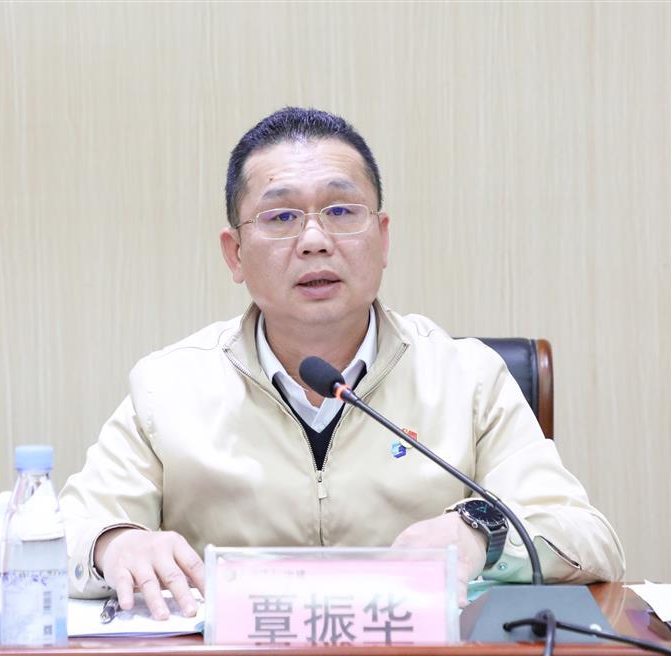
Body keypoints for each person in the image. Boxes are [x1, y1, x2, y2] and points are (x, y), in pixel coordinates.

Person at [59, 107, 625, 620]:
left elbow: (587, 539)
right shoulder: (168, 387)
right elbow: (61, 535)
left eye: (340, 210)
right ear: (235, 254)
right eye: (281, 216)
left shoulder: (467, 378)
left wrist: (479, 532)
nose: (313, 240)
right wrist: (115, 543)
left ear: (382, 238)